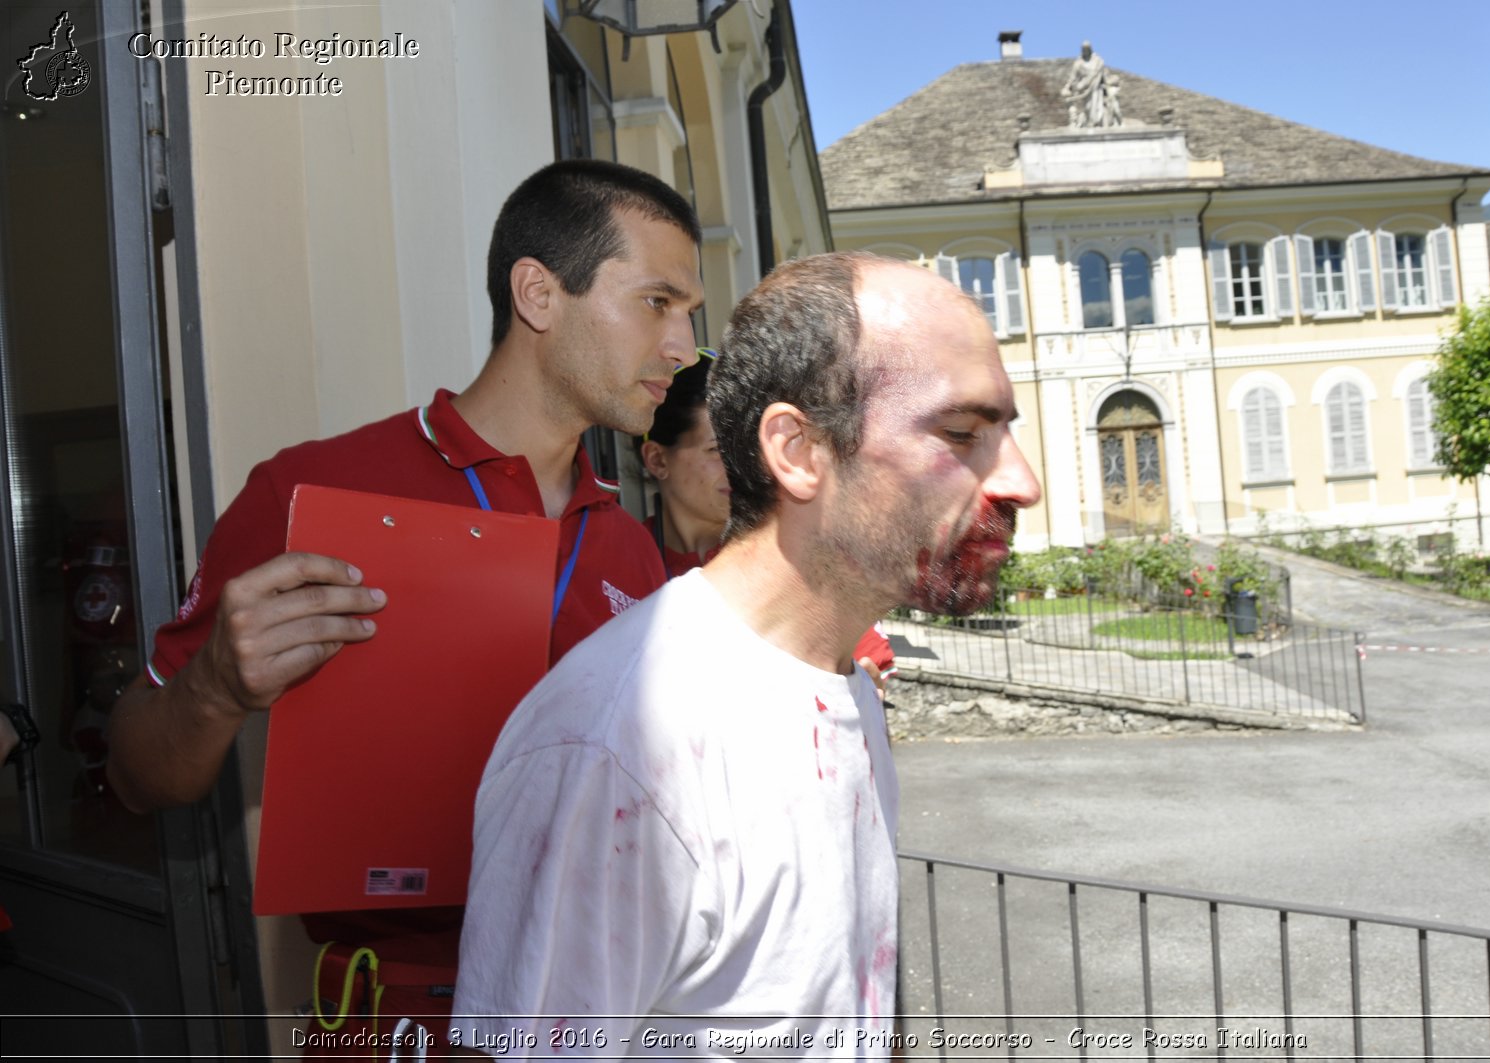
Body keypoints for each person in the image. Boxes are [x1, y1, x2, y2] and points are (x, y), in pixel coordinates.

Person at [104, 159, 704, 1047]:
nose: (685, 345)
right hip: (398, 1023)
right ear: (538, 293)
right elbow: (133, 772)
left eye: (689, 312)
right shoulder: (309, 490)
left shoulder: (625, 545)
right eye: (659, 302)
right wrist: (216, 688)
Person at [451, 252, 1040, 1054]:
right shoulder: (613, 748)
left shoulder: (843, 684)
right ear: (797, 450)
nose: (1022, 481)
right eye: (962, 432)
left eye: (1006, 430)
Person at [638, 352, 898, 688]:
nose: (741, 466)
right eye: (718, 450)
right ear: (658, 460)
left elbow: (868, 672)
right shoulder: (620, 560)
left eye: (748, 449)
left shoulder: (798, 554)